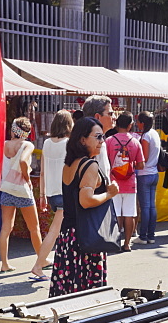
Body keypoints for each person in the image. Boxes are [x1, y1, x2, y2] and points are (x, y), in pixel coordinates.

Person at [49, 118, 120, 297]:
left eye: (102, 137)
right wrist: (109, 194)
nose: (102, 141)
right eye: (97, 137)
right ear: (82, 140)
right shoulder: (90, 165)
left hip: (68, 236)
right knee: (86, 295)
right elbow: (85, 201)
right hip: (85, 237)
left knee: (67, 290)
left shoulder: (70, 164)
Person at [29, 109, 73, 281]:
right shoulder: (69, 144)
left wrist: (42, 196)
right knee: (55, 231)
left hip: (51, 193)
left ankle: (45, 261)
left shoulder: (47, 143)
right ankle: (38, 266)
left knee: (57, 230)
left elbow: (42, 172)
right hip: (64, 192)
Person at [0, 117, 43, 273]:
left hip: (6, 189)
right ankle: (41, 259)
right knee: (34, 228)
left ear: (13, 130)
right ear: (27, 132)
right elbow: (24, 162)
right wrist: (27, 178)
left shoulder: (3, 145)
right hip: (22, 190)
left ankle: (4, 264)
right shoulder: (27, 145)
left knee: (5, 228)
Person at [105, 112, 144, 251]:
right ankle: (127, 244)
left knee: (115, 214)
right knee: (129, 214)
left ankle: (115, 242)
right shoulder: (135, 142)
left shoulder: (109, 141)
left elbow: (105, 162)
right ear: (130, 125)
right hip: (130, 183)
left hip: (113, 182)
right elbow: (141, 165)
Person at [136, 111, 161, 244]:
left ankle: (143, 236)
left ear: (143, 123)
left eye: (139, 122)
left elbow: (143, 158)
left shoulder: (146, 136)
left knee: (145, 207)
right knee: (152, 206)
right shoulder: (155, 134)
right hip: (154, 173)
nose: (137, 125)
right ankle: (150, 235)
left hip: (144, 173)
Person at [82, 95, 116, 179]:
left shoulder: (99, 140)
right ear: (97, 117)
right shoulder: (89, 142)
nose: (114, 117)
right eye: (110, 114)